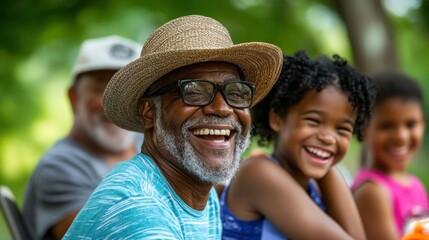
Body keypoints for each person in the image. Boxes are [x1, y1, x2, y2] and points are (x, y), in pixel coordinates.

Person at [63, 15, 283, 239]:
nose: (223, 108)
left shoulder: (200, 197)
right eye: (195, 91)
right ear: (148, 112)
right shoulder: (138, 208)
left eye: (236, 92)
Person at [221, 51, 373, 239]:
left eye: (342, 129)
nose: (328, 138)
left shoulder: (317, 184)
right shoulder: (259, 174)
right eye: (314, 121)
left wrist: (326, 164)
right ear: (277, 118)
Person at [23, 35, 143, 240]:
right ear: (74, 97)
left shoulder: (149, 145)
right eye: (101, 89)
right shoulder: (60, 167)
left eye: (127, 90)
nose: (115, 105)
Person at [351, 71, 429, 240]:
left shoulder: (415, 185)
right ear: (363, 129)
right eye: (386, 126)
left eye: (411, 124)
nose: (401, 136)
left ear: (423, 123)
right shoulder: (373, 191)